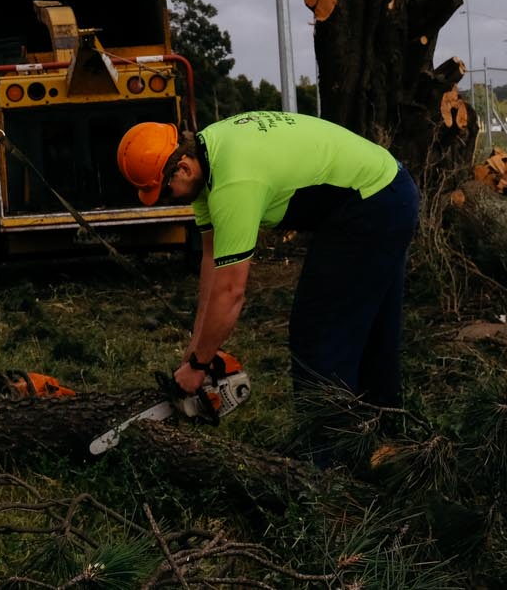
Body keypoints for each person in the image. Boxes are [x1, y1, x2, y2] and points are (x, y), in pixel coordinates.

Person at [116, 111, 419, 451]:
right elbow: (211, 265)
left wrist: (201, 365)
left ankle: (326, 464)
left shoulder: (233, 183)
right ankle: (388, 442)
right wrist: (196, 349)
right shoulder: (210, 154)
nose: (169, 198)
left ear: (183, 167)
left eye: (166, 190)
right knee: (373, 329)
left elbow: (231, 292)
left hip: (373, 204)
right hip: (386, 188)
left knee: (319, 333)